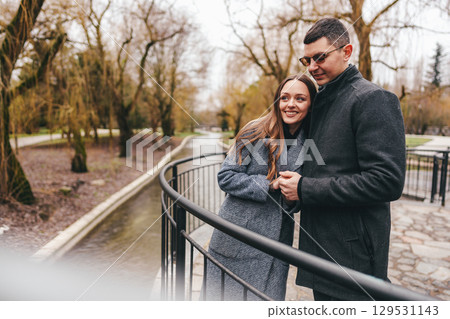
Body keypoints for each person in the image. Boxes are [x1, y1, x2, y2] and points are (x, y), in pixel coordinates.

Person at [278, 18, 406, 301]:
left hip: (353, 258)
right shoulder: (321, 101)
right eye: (307, 60)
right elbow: (322, 166)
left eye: (320, 57)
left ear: (346, 52)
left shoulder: (373, 99)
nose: (312, 67)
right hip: (320, 251)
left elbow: (387, 182)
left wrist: (304, 188)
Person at [205, 74, 317, 300]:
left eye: (300, 99)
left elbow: (300, 197)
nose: (290, 104)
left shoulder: (313, 141)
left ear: (311, 103)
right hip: (236, 239)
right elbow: (226, 177)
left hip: (275, 245)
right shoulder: (254, 131)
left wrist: (293, 196)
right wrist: (269, 185)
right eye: (284, 98)